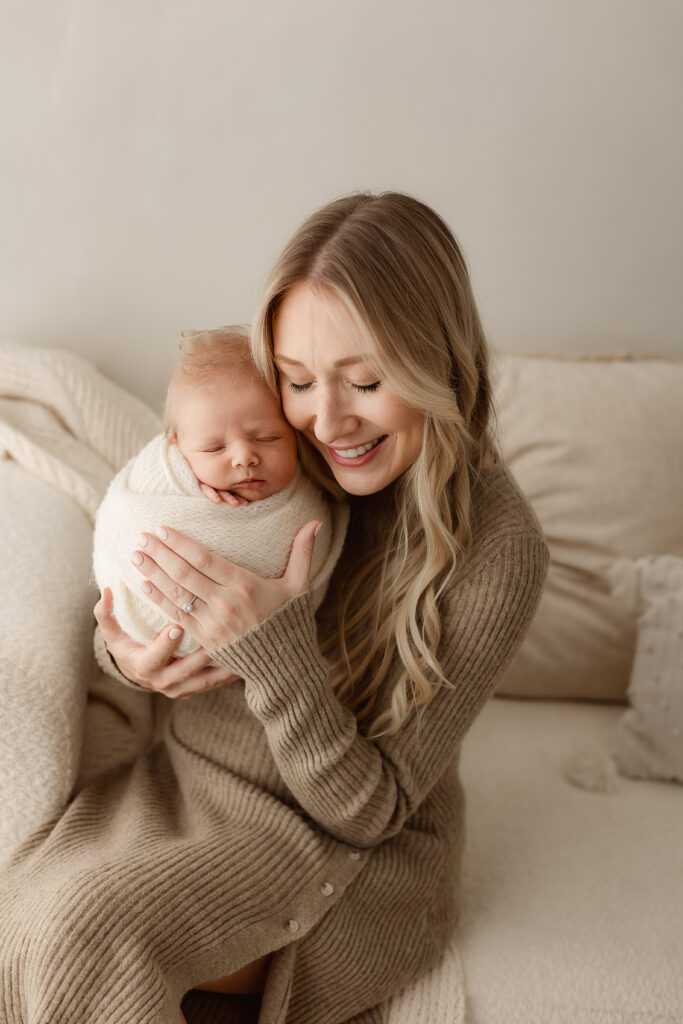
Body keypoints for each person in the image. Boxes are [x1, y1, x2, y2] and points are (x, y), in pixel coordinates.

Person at [0, 191, 549, 1024]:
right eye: (296, 381)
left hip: (343, 842)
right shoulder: (276, 450)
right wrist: (132, 650)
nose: (327, 421)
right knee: (22, 913)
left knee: (86, 933)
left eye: (366, 381)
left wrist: (275, 648)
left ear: (437, 363)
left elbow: (370, 812)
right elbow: (152, 555)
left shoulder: (498, 549)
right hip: (185, 785)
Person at [92, 325, 348, 659]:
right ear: (178, 448)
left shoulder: (316, 489)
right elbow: (124, 524)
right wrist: (122, 659)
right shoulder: (162, 472)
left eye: (269, 438)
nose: (244, 458)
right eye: (214, 448)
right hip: (155, 652)